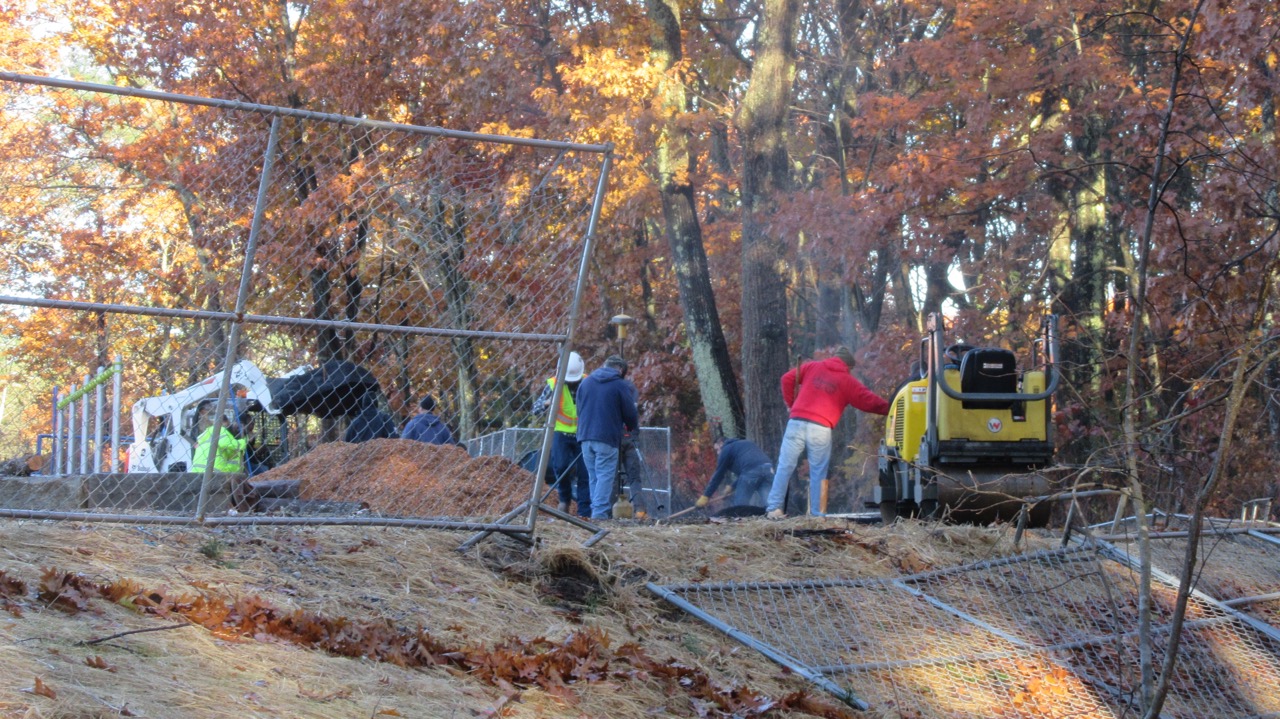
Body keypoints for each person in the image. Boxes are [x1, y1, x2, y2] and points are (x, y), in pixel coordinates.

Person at [765, 346, 890, 519]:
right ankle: (818, 515)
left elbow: (787, 379)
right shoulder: (847, 380)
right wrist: (891, 408)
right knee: (818, 473)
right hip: (820, 428)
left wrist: (792, 404)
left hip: (796, 422)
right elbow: (868, 400)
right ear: (848, 366)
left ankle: (773, 509)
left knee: (785, 466)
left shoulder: (812, 367)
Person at [575, 355, 639, 520]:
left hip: (585, 436)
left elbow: (579, 408)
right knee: (604, 475)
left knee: (594, 476)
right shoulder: (619, 384)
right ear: (620, 370)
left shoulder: (586, 382)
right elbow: (630, 412)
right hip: (606, 437)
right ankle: (599, 515)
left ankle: (595, 512)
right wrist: (631, 428)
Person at [533, 352, 591, 516]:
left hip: (583, 434)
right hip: (561, 433)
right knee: (560, 466)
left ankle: (584, 511)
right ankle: (564, 499)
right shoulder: (553, 385)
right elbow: (535, 409)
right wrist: (547, 402)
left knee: (585, 473)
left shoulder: (588, 383)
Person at [697, 436, 774, 509]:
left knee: (740, 506)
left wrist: (706, 496)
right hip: (768, 469)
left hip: (751, 471)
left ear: (721, 443)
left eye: (717, 449)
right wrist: (732, 487)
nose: (717, 453)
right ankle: (774, 517)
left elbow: (718, 475)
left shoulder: (726, 449)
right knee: (770, 504)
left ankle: (741, 520)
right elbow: (747, 471)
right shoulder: (744, 444)